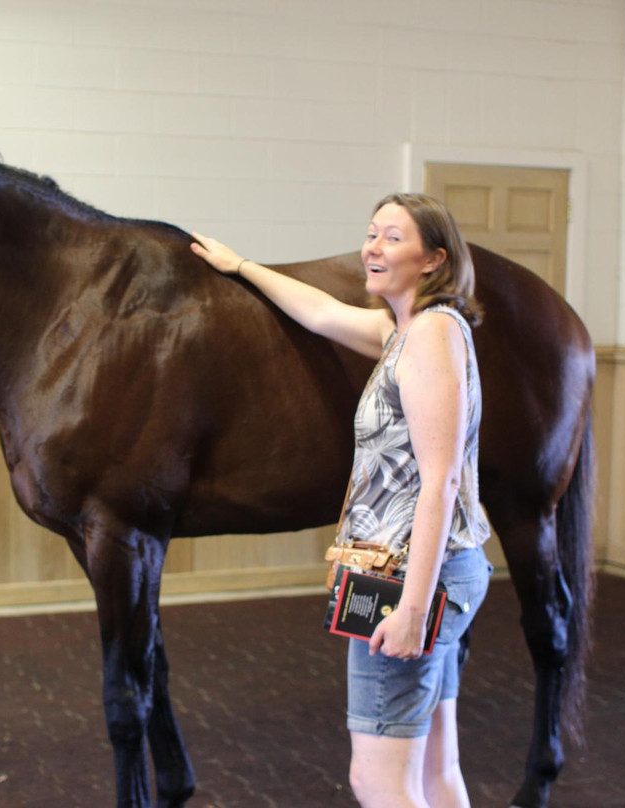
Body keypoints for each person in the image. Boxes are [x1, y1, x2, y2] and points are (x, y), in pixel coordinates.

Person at [190, 192, 493, 808]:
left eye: (392, 237)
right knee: (437, 767)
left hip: (411, 580)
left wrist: (410, 608)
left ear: (434, 259)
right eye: (371, 233)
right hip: (423, 570)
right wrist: (243, 266)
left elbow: (440, 482)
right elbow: (323, 312)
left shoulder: (431, 336)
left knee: (378, 780)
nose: (371, 248)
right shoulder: (407, 333)